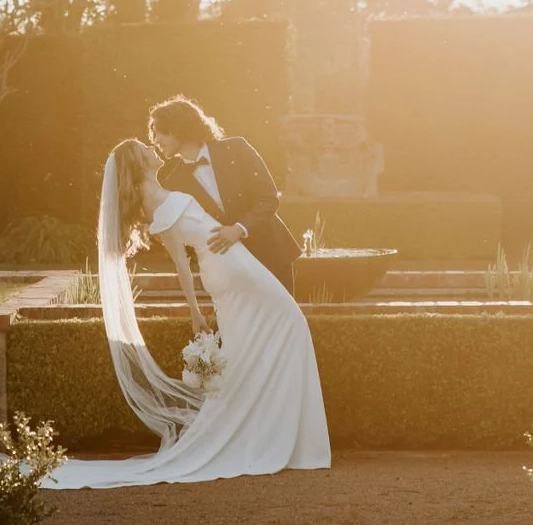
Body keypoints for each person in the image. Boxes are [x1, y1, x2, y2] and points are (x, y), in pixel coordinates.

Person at [39, 136, 330, 489]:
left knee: (250, 350)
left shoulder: (160, 193)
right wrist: (194, 312)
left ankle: (271, 436)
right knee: (292, 324)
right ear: (138, 163)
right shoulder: (155, 204)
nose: (152, 148)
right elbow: (181, 265)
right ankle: (282, 440)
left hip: (230, 266)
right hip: (231, 268)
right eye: (145, 149)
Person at [149, 96, 301, 294]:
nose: (156, 140)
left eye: (161, 132)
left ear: (180, 127)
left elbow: (268, 198)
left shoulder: (237, 149)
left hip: (271, 256)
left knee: (282, 314)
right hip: (230, 271)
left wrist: (239, 229)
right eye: (153, 133)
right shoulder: (173, 182)